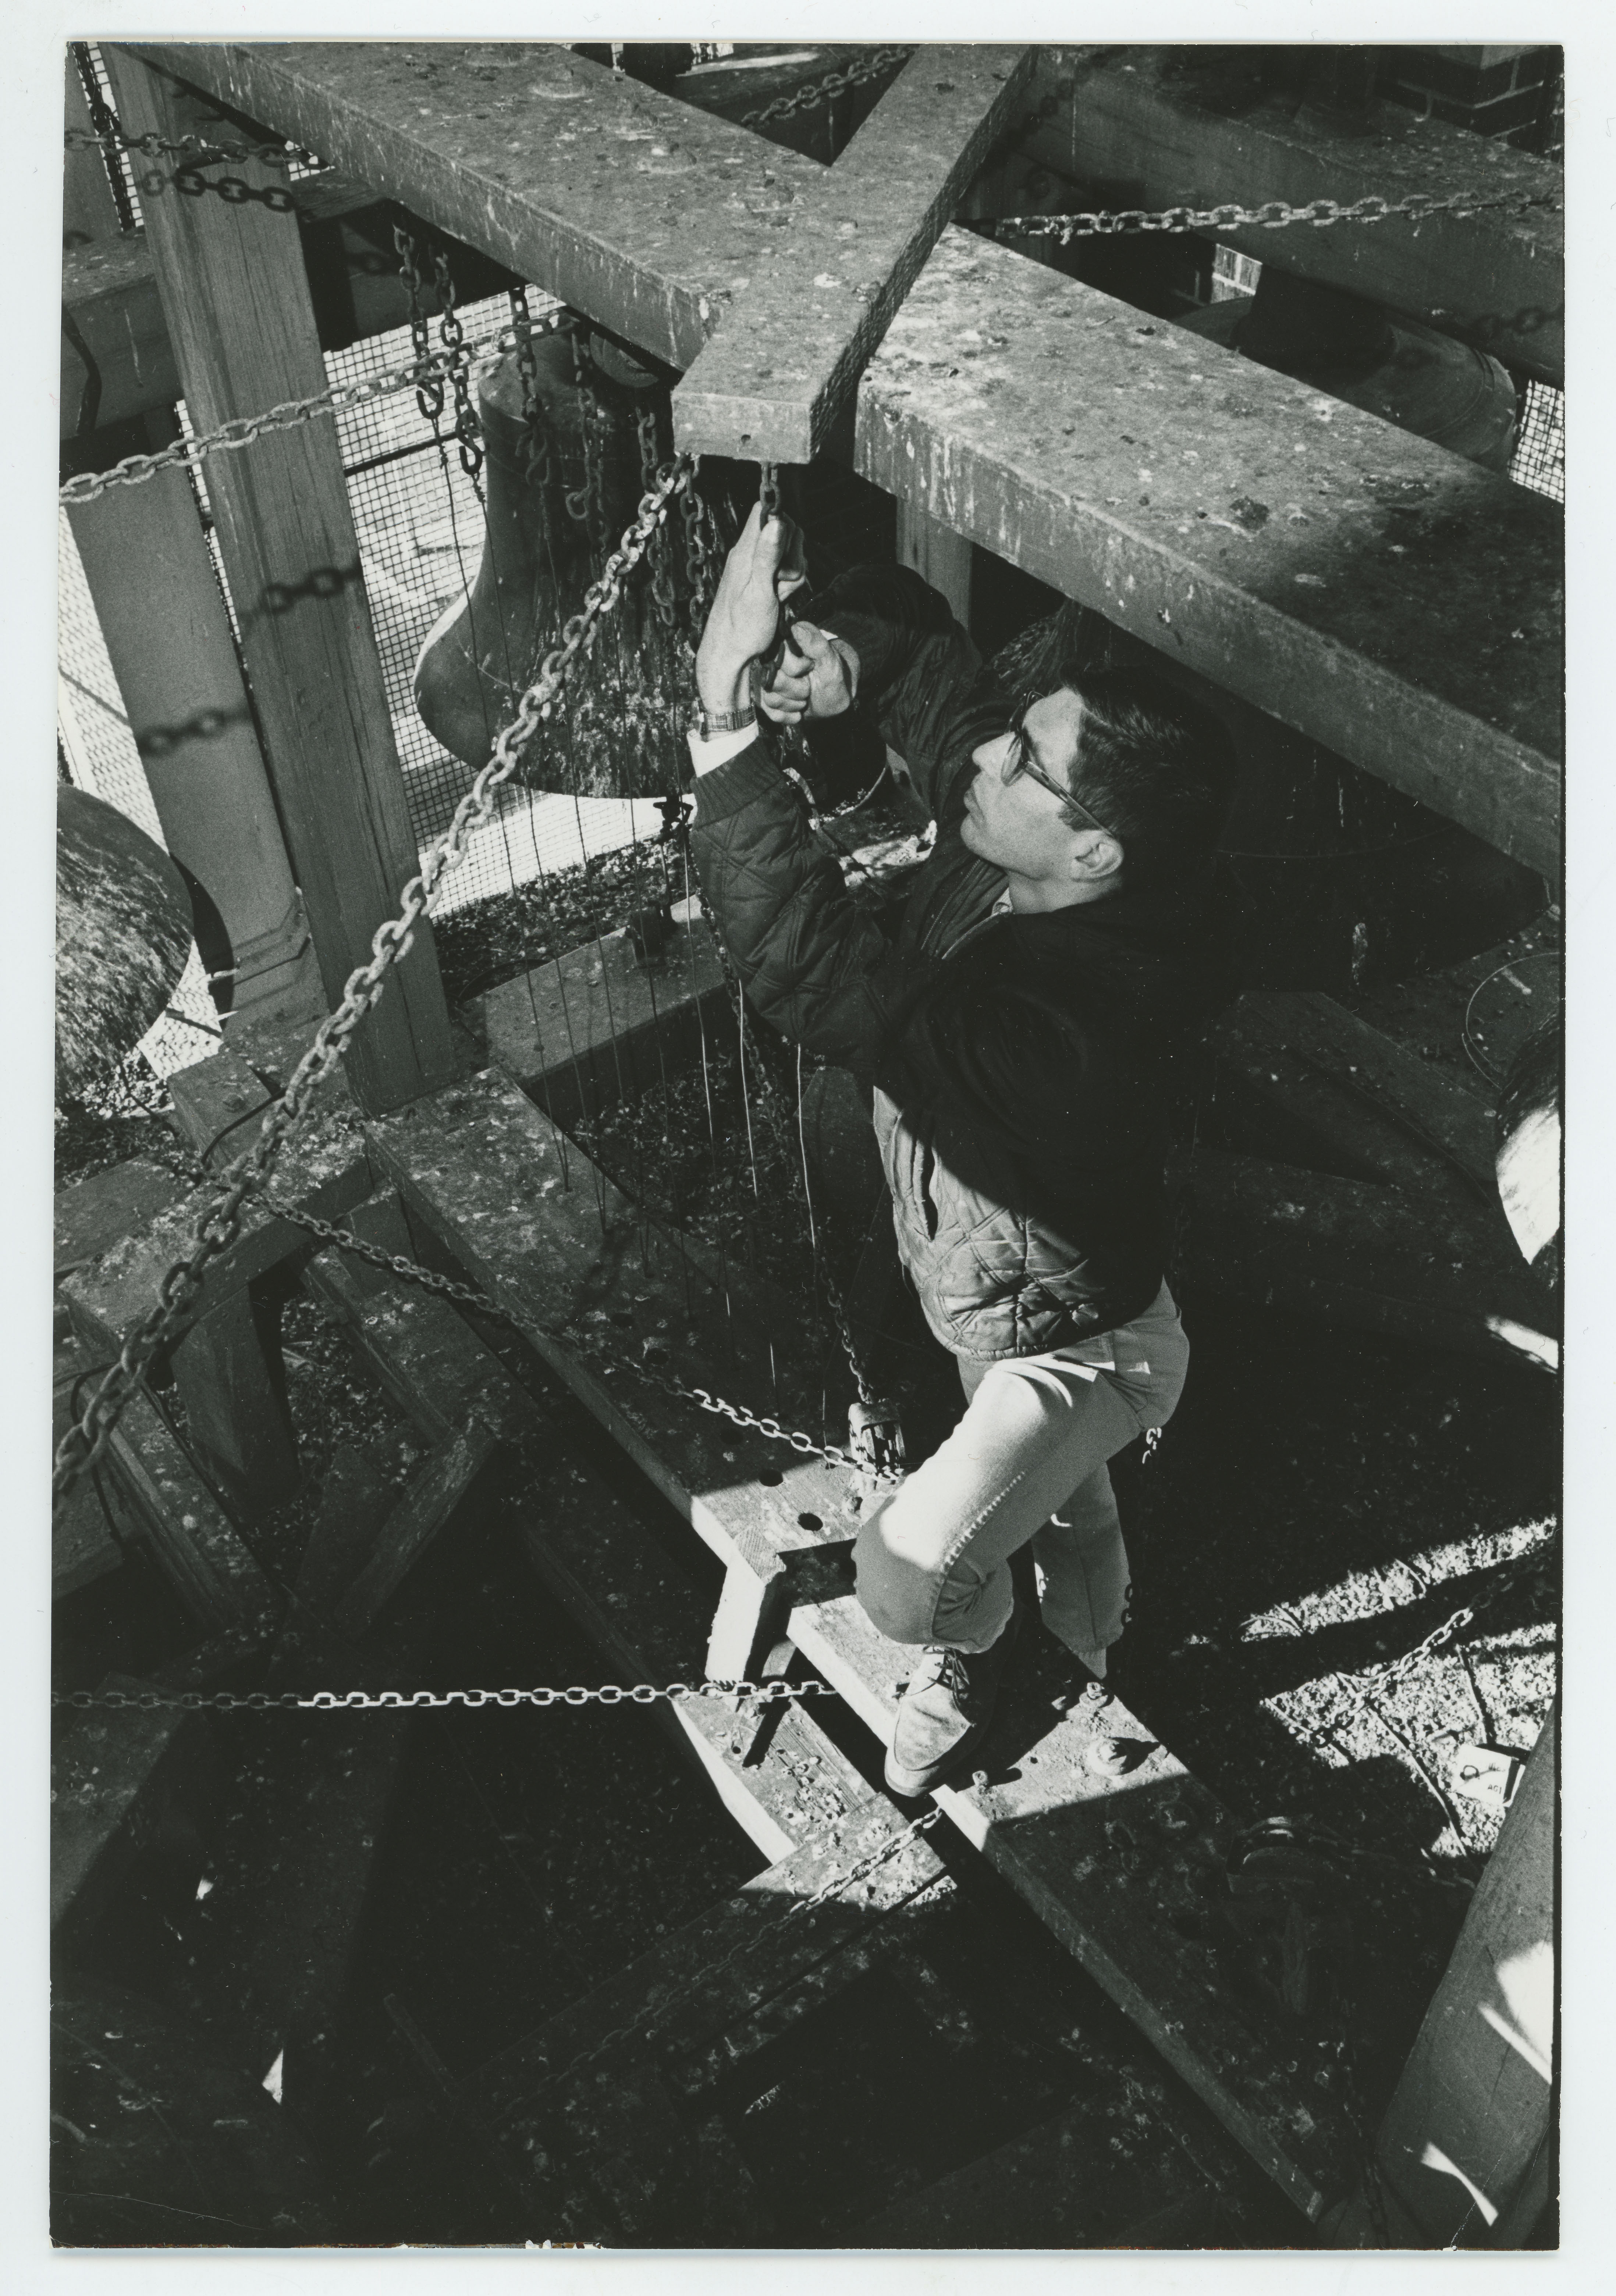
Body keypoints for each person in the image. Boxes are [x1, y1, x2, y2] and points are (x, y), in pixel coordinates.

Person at [687, 504, 1238, 1796]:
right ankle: (1096, 1648)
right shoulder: (1054, 865)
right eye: (1018, 736)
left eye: (1026, 763)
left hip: (1078, 1337)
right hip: (1001, 1294)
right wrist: (844, 659)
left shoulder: (1066, 1035)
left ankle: (977, 1654)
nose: (990, 755)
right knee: (1071, 1505)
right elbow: (945, 691)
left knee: (911, 1569)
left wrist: (726, 722)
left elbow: (818, 973)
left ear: (1093, 846)